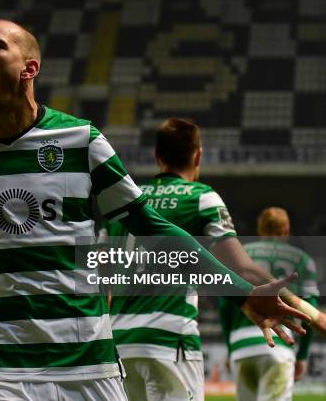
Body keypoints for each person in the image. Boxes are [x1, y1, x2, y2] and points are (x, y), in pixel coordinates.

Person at [0, 20, 308, 401]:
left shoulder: (80, 140)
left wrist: (240, 292)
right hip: (2, 368)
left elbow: (149, 225)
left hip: (89, 363)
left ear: (29, 68)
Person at [102, 118, 325, 401]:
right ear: (198, 155)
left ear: (158, 157)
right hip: (171, 338)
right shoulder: (201, 197)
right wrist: (311, 312)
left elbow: (98, 275)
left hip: (120, 342)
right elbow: (242, 266)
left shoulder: (125, 202)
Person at [219, 207, 320, 401]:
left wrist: (230, 347)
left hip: (241, 346)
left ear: (259, 229)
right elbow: (309, 311)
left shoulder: (240, 256)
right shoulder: (303, 260)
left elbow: (225, 306)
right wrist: (302, 356)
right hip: (279, 346)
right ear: (287, 229)